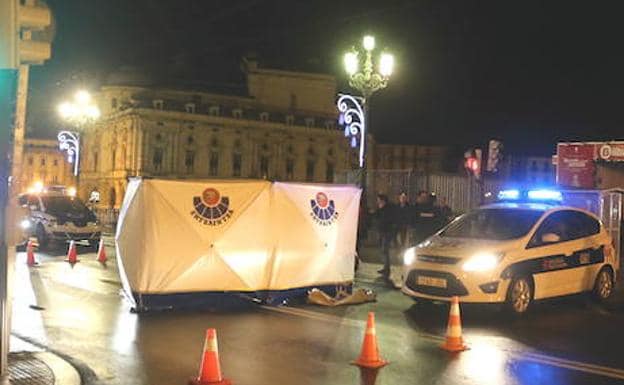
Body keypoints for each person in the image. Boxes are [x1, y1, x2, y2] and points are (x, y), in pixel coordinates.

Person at [374, 194, 395, 280]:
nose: (377, 201)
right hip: (382, 231)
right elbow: (376, 216)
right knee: (383, 250)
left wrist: (381, 208)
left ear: (383, 200)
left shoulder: (388, 209)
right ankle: (385, 267)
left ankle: (387, 269)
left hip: (387, 232)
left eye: (378, 200)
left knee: (385, 250)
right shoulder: (381, 208)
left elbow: (387, 220)